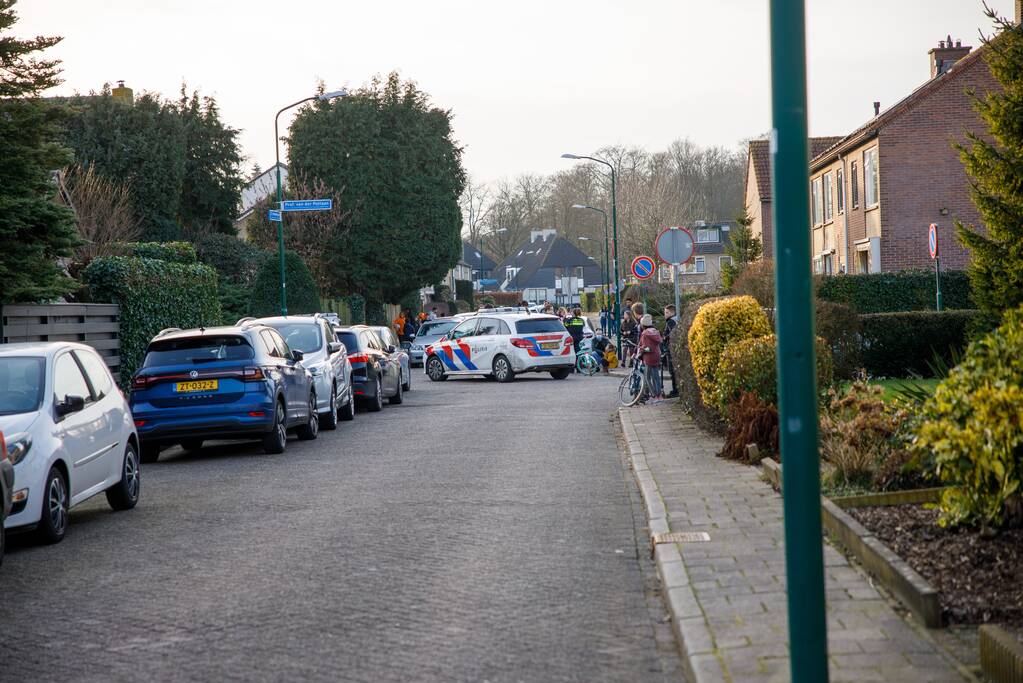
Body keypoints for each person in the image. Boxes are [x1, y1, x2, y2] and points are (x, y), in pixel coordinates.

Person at [638, 314, 664, 400]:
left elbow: (646, 347)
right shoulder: (655, 332)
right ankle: (659, 395)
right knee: (656, 376)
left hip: (649, 357)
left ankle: (654, 396)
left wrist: (640, 351)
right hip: (657, 355)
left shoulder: (645, 334)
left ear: (643, 324)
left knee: (647, 377)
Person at [662, 305, 679, 398]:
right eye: (665, 312)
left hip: (671, 349)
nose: (665, 315)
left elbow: (671, 334)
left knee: (672, 371)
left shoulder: (670, 322)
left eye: (667, 313)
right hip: (675, 348)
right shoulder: (676, 319)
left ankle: (675, 390)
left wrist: (665, 337)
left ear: (673, 313)